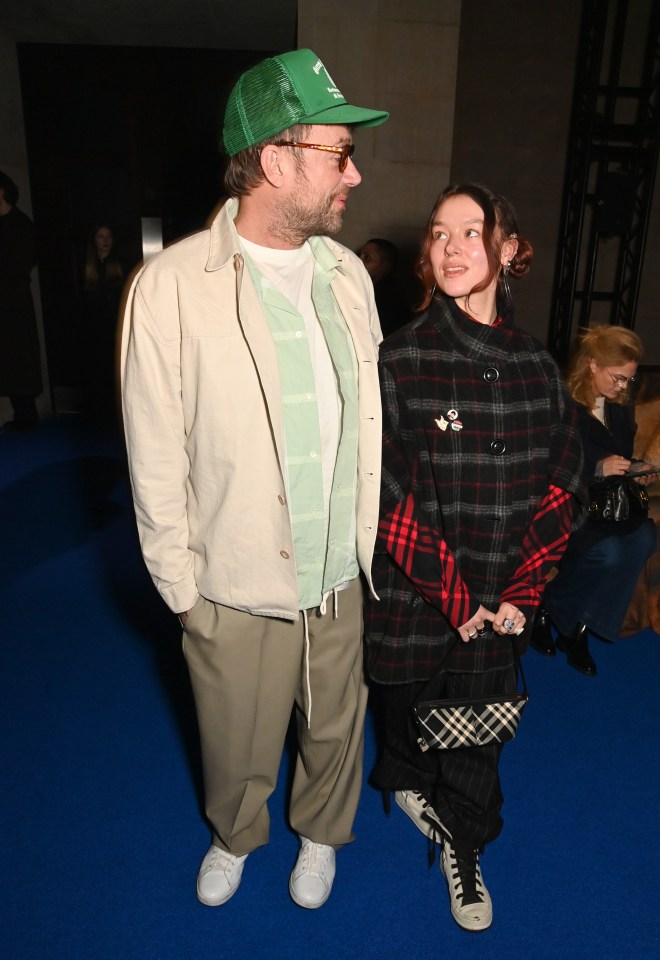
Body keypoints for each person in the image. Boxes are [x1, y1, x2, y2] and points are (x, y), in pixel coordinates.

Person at [120, 48, 388, 910]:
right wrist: (183, 593)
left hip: (341, 567)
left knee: (336, 724)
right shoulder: (169, 289)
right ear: (277, 161)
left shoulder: (349, 276)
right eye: (338, 153)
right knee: (235, 736)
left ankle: (321, 835)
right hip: (233, 577)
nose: (356, 171)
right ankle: (236, 835)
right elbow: (154, 453)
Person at [364, 183, 585, 931]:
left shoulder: (538, 367)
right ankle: (405, 779)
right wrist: (456, 600)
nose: (452, 247)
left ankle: (467, 842)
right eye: (438, 234)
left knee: (475, 735)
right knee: (401, 712)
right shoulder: (398, 360)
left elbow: (564, 484)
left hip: (504, 599)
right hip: (415, 597)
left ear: (511, 250)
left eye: (472, 231)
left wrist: (523, 586)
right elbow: (383, 498)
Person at [530, 325, 658, 676]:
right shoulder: (560, 403)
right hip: (570, 504)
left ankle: (579, 624)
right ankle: (554, 610)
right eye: (618, 378)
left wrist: (637, 467)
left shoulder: (619, 405)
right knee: (609, 552)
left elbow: (620, 454)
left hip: (610, 506)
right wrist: (595, 468)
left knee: (646, 537)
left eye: (628, 380)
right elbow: (544, 461)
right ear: (591, 365)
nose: (623, 387)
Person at [0, 171, 42, 432]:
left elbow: (25, 260)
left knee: (19, 356)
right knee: (8, 357)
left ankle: (27, 415)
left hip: (15, 300)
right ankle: (22, 413)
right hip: (5, 299)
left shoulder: (21, 224)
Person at [81, 224, 125, 422]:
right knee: (96, 371)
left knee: (114, 371)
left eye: (109, 236)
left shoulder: (121, 265)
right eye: (101, 236)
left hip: (116, 329)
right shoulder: (85, 267)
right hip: (93, 331)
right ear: (94, 241)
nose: (106, 240)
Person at [358, 237, 411, 337]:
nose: (358, 261)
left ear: (386, 266)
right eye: (358, 255)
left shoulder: (390, 300)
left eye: (367, 258)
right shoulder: (361, 289)